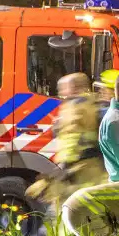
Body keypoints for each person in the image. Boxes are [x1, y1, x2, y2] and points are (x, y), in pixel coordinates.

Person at [26, 73, 109, 210]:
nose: (60, 93)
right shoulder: (94, 104)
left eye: (63, 89)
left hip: (80, 170)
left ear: (74, 88)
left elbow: (72, 140)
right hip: (92, 168)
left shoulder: (75, 107)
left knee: (65, 211)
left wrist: (62, 170)